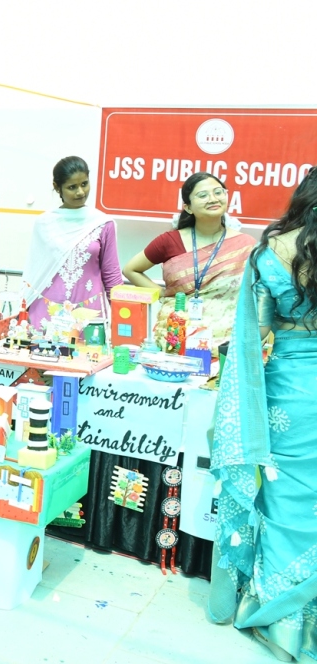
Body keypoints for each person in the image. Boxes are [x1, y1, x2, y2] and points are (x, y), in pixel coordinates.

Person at [208, 167, 317, 662]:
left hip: (287, 394)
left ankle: (280, 613)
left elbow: (256, 332)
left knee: (283, 501)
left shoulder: (272, 250)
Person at [123, 172, 255, 343]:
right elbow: (131, 270)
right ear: (188, 207)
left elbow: (257, 292)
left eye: (218, 192)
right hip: (176, 335)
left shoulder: (245, 245)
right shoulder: (170, 241)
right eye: (203, 195)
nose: (213, 199)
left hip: (226, 340)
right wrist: (163, 294)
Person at [22, 157, 123, 330]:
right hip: (46, 313)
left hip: (90, 315)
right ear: (57, 187)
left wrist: (122, 317)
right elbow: (33, 272)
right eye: (72, 187)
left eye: (84, 184)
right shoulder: (44, 223)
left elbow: (112, 275)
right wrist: (22, 311)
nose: (80, 192)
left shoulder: (103, 223)